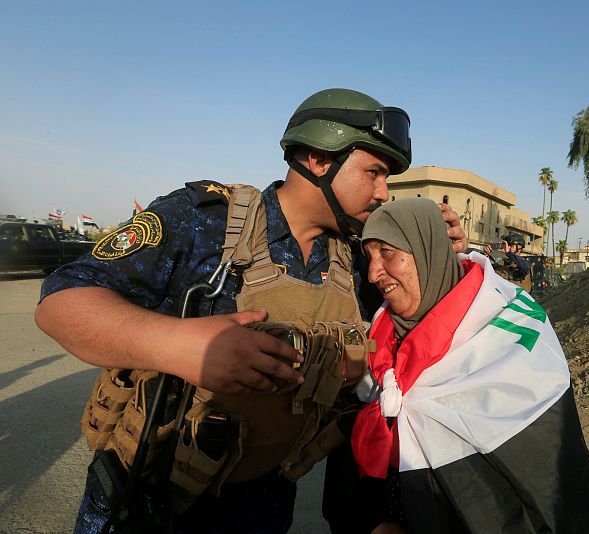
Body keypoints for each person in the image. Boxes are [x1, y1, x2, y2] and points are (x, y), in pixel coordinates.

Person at [34, 88, 466, 533]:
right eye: (374, 172)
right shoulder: (205, 220)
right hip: (148, 501)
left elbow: (419, 331)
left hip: (265, 501)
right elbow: (62, 300)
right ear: (318, 159)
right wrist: (180, 346)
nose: (382, 192)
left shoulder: (353, 258)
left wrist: (438, 256)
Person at [352, 198, 589, 533]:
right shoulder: (382, 339)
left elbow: (547, 491)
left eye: (386, 251)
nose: (373, 272)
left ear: (428, 250)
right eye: (369, 256)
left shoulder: (500, 337)